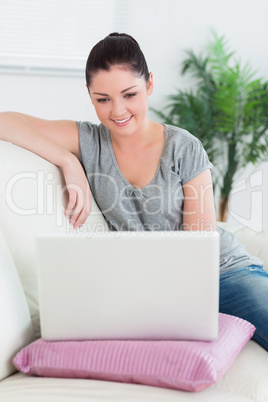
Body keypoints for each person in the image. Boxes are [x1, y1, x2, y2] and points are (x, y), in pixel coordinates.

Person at [0, 32, 267, 351]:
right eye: (103, 99)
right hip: (148, 289)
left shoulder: (182, 147)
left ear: (149, 84)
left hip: (223, 273)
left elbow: (199, 253)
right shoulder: (89, 141)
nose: (117, 111)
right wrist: (67, 160)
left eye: (129, 94)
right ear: (89, 94)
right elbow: (5, 121)